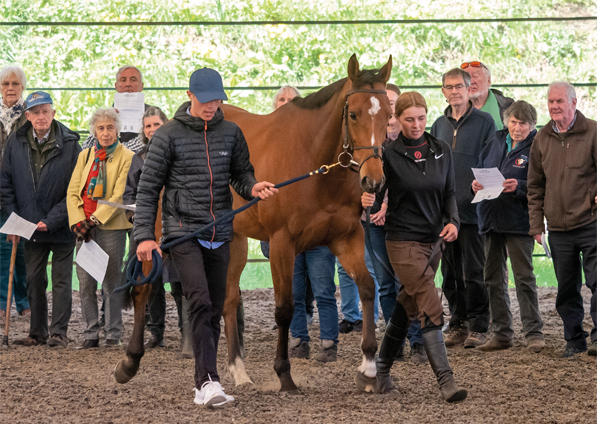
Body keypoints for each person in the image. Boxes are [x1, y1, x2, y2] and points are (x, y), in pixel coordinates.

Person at [133, 67, 277, 407]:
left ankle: (205, 382)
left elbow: (241, 175)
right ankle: (208, 381)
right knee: (198, 299)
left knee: (213, 307)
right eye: (206, 100)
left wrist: (253, 186)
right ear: (190, 96)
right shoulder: (167, 136)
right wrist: (143, 236)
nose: (212, 105)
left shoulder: (231, 133)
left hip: (220, 231)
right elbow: (148, 189)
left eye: (217, 100)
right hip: (183, 231)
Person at [359, 91, 466, 402]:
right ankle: (446, 382)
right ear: (397, 120)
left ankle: (380, 370)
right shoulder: (388, 154)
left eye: (421, 118)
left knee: (406, 307)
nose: (416, 124)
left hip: (434, 243)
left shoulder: (441, 149)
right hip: (402, 242)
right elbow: (374, 192)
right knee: (430, 305)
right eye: (409, 119)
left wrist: (453, 222)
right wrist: (367, 199)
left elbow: (449, 193)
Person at [1, 91, 81, 347]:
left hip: (61, 225)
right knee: (34, 279)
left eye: (45, 111)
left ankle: (59, 332)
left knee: (61, 280)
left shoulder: (70, 143)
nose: (41, 116)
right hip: (29, 225)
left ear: (53, 113)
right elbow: (6, 183)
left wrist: (53, 219)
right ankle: (37, 332)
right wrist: (15, 220)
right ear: (27, 116)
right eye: (35, 112)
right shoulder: (15, 141)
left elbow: (75, 188)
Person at [527, 81, 597, 358]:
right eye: (551, 101)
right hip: (557, 228)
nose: (555, 106)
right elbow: (534, 185)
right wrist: (536, 225)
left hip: (591, 223)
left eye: (560, 101)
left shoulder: (593, 132)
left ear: (574, 102)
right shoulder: (541, 139)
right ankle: (574, 339)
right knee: (566, 288)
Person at [472, 100, 545, 353]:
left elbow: (542, 184)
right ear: (507, 121)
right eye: (513, 122)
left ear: (531, 125)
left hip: (518, 220)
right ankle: (502, 333)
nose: (517, 128)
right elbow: (481, 169)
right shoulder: (495, 140)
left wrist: (519, 188)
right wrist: (476, 184)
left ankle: (534, 333)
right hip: (490, 217)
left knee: (523, 278)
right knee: (492, 278)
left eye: (523, 123)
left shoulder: (537, 145)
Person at [431, 68, 496, 348]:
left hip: (472, 213)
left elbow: (491, 161)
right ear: (443, 91)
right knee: (450, 273)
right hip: (446, 214)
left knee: (474, 272)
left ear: (470, 89)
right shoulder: (437, 125)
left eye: (459, 86)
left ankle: (479, 324)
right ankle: (457, 322)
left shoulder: (485, 122)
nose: (454, 91)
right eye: (449, 87)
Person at [67, 107, 134, 348]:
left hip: (111, 227)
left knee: (112, 282)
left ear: (117, 129)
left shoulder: (127, 156)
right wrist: (78, 222)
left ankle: (113, 334)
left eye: (110, 128)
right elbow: (73, 192)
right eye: (101, 128)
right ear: (94, 131)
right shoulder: (85, 155)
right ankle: (90, 333)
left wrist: (94, 220)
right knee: (85, 282)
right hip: (82, 228)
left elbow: (118, 196)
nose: (105, 133)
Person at [122, 106, 185, 348]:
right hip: (147, 228)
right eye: (147, 126)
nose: (151, 130)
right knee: (151, 280)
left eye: (156, 124)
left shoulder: (177, 154)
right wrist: (136, 220)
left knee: (180, 280)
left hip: (175, 225)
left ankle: (186, 333)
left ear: (166, 125)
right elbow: (130, 194)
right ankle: (156, 333)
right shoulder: (137, 159)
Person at [0, 65, 29, 319]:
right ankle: (3, 304)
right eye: (5, 84)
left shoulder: (29, 117)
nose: (10, 88)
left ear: (22, 88)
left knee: (20, 251)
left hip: (20, 196)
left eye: (15, 84)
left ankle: (24, 302)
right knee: (1, 251)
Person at [81, 65, 150, 153]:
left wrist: (111, 149)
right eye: (123, 80)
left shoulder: (154, 115)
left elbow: (155, 142)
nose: (128, 84)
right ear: (116, 86)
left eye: (133, 80)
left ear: (142, 86)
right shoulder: (107, 115)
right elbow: (86, 149)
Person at [460, 61, 514, 129]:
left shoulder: (508, 106)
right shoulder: (454, 107)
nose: (470, 82)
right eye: (466, 78)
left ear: (488, 81)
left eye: (475, 76)